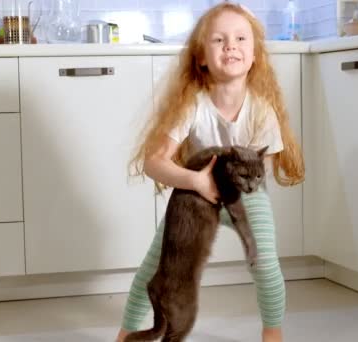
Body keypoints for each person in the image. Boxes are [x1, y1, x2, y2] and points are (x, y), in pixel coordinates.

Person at [115, 2, 305, 342]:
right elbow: (154, 162)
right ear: (201, 57)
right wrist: (196, 182)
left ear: (255, 55)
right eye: (218, 40)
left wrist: (233, 190)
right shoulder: (192, 105)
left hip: (244, 198)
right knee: (155, 266)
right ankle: (126, 333)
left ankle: (272, 333)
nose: (230, 45)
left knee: (265, 264)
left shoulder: (262, 111)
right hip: (194, 195)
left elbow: (263, 168)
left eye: (240, 38)